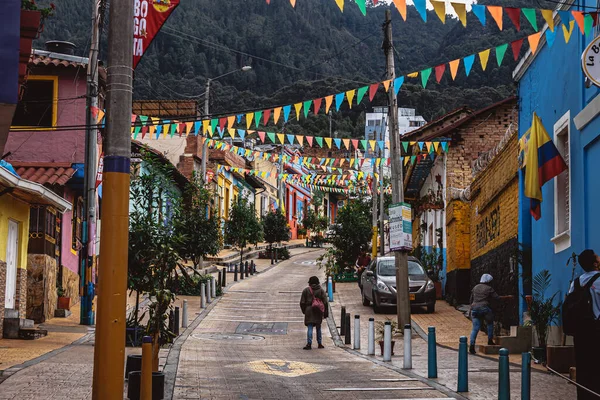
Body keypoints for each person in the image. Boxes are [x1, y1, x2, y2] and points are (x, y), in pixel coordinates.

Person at [568, 249, 600, 400]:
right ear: (595, 263)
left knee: (583, 368)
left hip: (580, 333)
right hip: (596, 330)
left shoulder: (575, 283)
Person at [469, 273, 511, 354]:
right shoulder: (489, 288)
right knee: (490, 323)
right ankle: (490, 340)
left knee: (475, 328)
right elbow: (497, 298)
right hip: (484, 308)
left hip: (474, 309)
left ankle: (471, 346)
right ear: (488, 281)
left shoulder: (475, 287)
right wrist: (507, 297)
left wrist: (472, 307)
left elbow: (471, 299)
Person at [299, 276, 329, 350]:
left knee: (310, 327)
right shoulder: (321, 291)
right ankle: (319, 343)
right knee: (318, 327)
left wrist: (304, 310)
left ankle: (309, 343)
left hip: (309, 310)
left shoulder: (306, 290)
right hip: (318, 310)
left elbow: (302, 302)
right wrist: (325, 312)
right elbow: (325, 302)